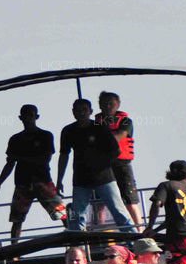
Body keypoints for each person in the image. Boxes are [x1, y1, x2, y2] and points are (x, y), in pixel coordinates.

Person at [56, 98, 135, 232]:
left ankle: (135, 244)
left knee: (118, 211)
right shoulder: (68, 131)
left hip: (104, 178)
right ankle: (78, 248)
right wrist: (59, 180)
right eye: (78, 110)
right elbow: (64, 155)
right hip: (81, 179)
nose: (81, 113)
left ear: (90, 111)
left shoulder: (100, 128)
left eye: (84, 110)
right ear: (73, 112)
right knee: (78, 216)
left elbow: (116, 150)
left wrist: (102, 163)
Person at [0, 104, 67, 238]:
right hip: (22, 183)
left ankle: (76, 242)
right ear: (20, 118)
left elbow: (45, 159)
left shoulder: (45, 136)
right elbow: (10, 163)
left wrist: (21, 158)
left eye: (30, 115)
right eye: (25, 115)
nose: (28, 118)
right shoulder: (15, 139)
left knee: (62, 214)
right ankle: (14, 254)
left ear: (36, 117)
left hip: (43, 181)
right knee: (17, 220)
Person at [96, 91, 144, 229]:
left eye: (111, 103)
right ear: (100, 105)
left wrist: (101, 141)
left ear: (118, 105)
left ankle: (139, 230)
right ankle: (103, 234)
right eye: (104, 103)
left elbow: (121, 135)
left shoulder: (125, 121)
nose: (108, 106)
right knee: (100, 203)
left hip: (122, 164)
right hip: (102, 166)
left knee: (130, 200)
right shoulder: (96, 124)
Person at [147, 160, 186, 264]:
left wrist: (150, 228)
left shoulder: (166, 186)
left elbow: (157, 204)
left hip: (178, 240)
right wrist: (156, 230)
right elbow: (180, 217)